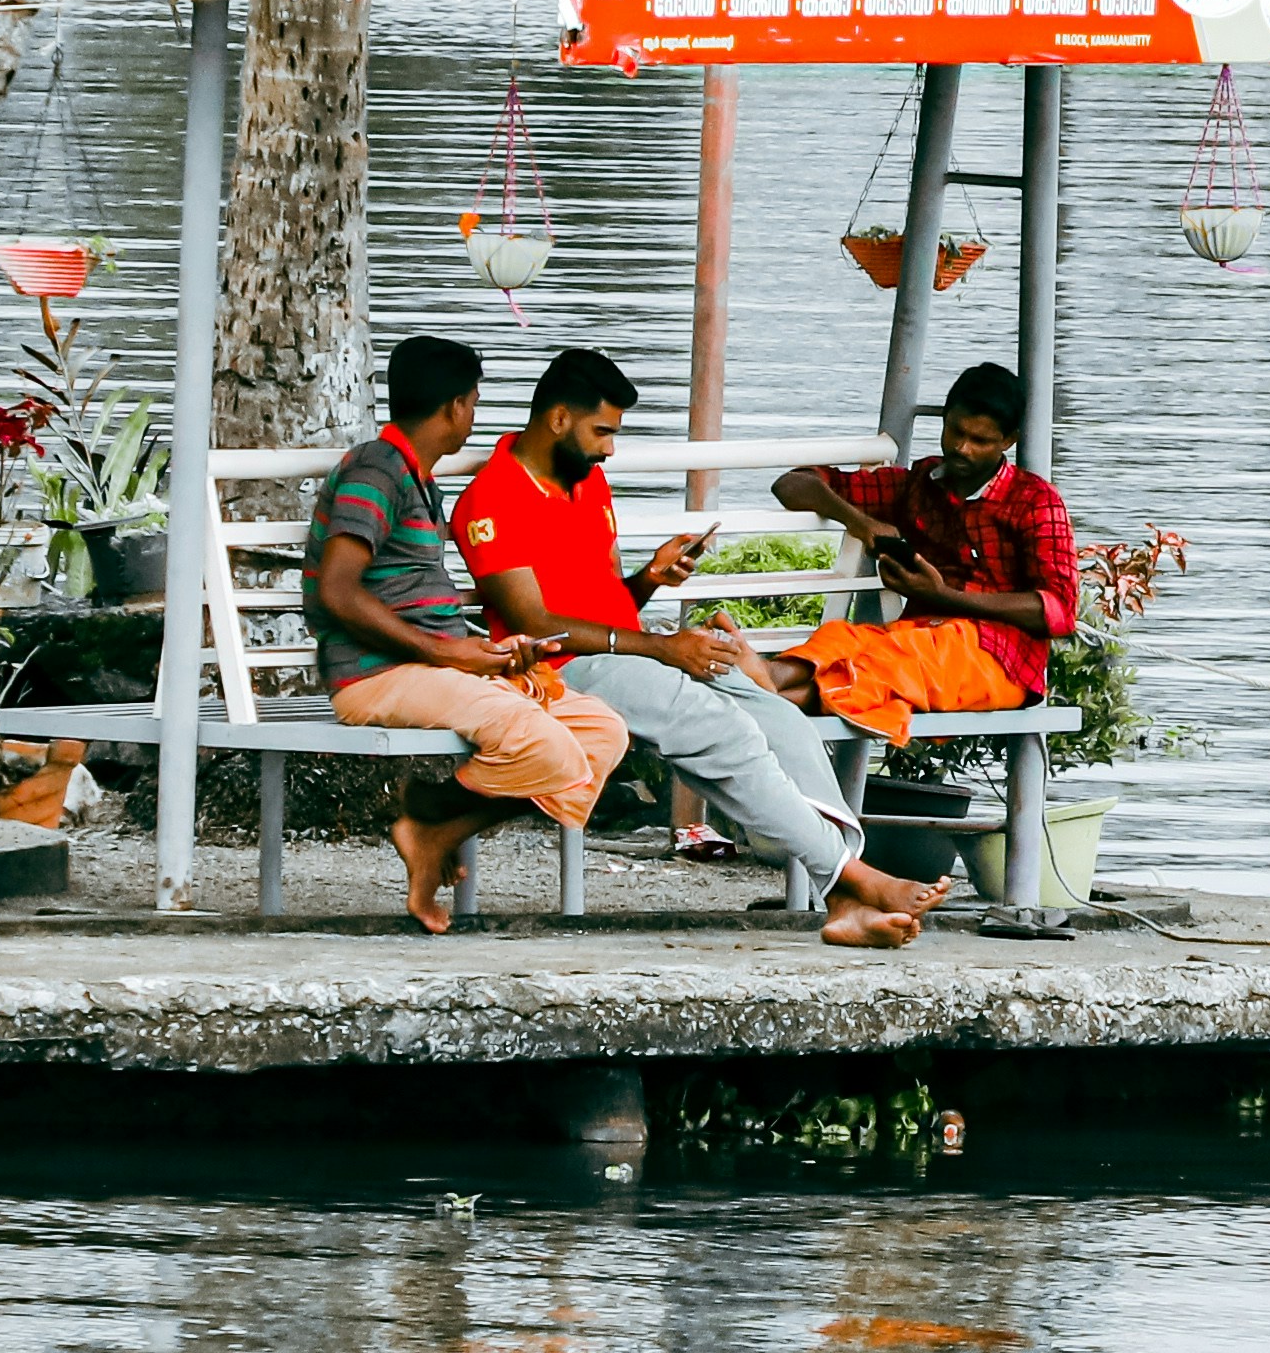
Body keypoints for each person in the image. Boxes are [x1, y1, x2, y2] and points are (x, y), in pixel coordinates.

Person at [458, 347, 950, 951]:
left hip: (626, 652)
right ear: (559, 418)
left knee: (779, 719)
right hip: (561, 668)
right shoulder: (491, 498)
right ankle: (853, 876)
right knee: (725, 731)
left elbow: (605, 604)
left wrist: (648, 581)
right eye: (602, 431)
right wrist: (665, 648)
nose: (609, 448)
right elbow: (535, 624)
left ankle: (844, 900)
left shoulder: (587, 482)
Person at [304, 334, 629, 935]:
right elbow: (338, 592)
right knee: (548, 747)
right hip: (375, 674)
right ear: (456, 406)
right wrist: (447, 651)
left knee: (601, 732)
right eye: (474, 403)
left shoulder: (417, 478)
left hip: (433, 667)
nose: (474, 417)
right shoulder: (375, 470)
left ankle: (435, 828)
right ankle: (424, 814)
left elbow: (419, 606)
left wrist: (488, 652)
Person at [770, 361, 1079, 744]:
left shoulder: (1034, 502)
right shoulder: (918, 484)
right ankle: (762, 682)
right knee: (838, 640)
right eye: (955, 432)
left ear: (1008, 441)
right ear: (945, 420)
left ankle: (766, 709)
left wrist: (944, 597)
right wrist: (860, 523)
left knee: (890, 662)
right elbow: (793, 484)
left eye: (980, 441)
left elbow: (1059, 611)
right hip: (913, 637)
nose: (962, 449)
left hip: (999, 659)